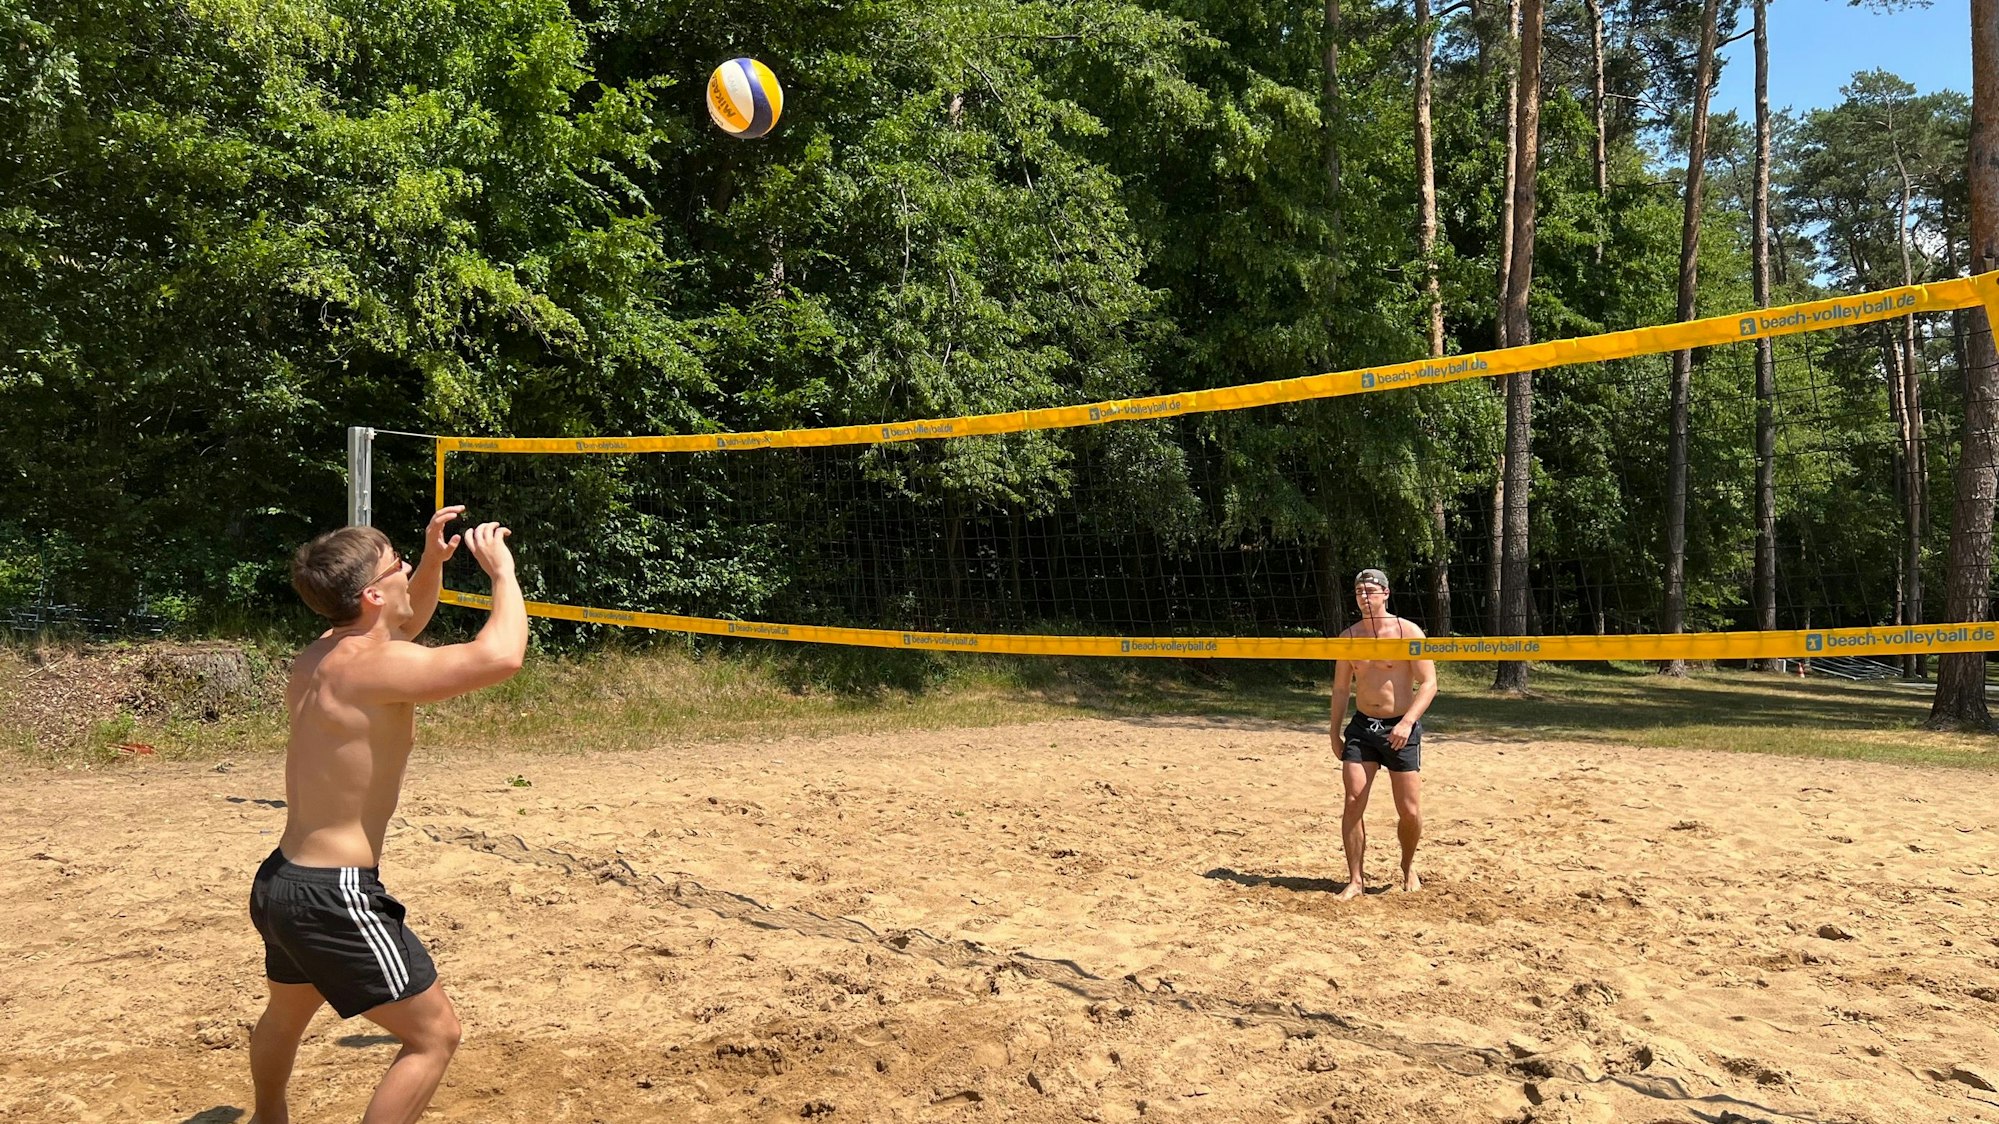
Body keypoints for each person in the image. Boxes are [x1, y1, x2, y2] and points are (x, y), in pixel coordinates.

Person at [247, 507, 526, 1124]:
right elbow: (501, 656)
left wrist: (430, 560)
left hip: (281, 882)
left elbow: (403, 623)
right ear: (373, 593)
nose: (404, 570)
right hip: (334, 894)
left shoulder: (321, 655)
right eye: (397, 563)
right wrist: (501, 574)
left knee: (286, 1016)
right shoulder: (374, 668)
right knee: (434, 1037)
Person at [1328, 568, 1437, 900]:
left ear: (1386, 594)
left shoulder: (1407, 632)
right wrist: (1334, 731)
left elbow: (1429, 684)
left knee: (1410, 811)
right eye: (1359, 590)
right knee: (1352, 801)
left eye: (1370, 590)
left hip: (1400, 727)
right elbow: (1341, 688)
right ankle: (1356, 880)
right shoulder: (1349, 638)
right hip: (1363, 728)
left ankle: (1407, 867)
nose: (1364, 596)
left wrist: (1407, 723)